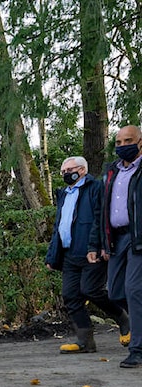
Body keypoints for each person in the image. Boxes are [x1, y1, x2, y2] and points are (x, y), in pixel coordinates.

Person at [46, 156, 129, 353]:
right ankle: (85, 341)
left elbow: (99, 219)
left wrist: (97, 246)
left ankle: (122, 318)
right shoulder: (64, 194)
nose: (66, 174)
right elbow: (60, 226)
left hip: (91, 251)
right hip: (69, 254)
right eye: (63, 171)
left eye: (69, 170)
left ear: (82, 170)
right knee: (70, 296)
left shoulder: (95, 188)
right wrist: (52, 256)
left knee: (91, 289)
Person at [90, 124, 142, 369]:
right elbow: (102, 210)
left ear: (140, 141)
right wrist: (100, 243)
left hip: (138, 237)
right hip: (116, 238)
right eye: (119, 143)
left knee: (133, 291)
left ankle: (137, 350)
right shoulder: (112, 171)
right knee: (115, 292)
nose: (123, 146)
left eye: (128, 141)